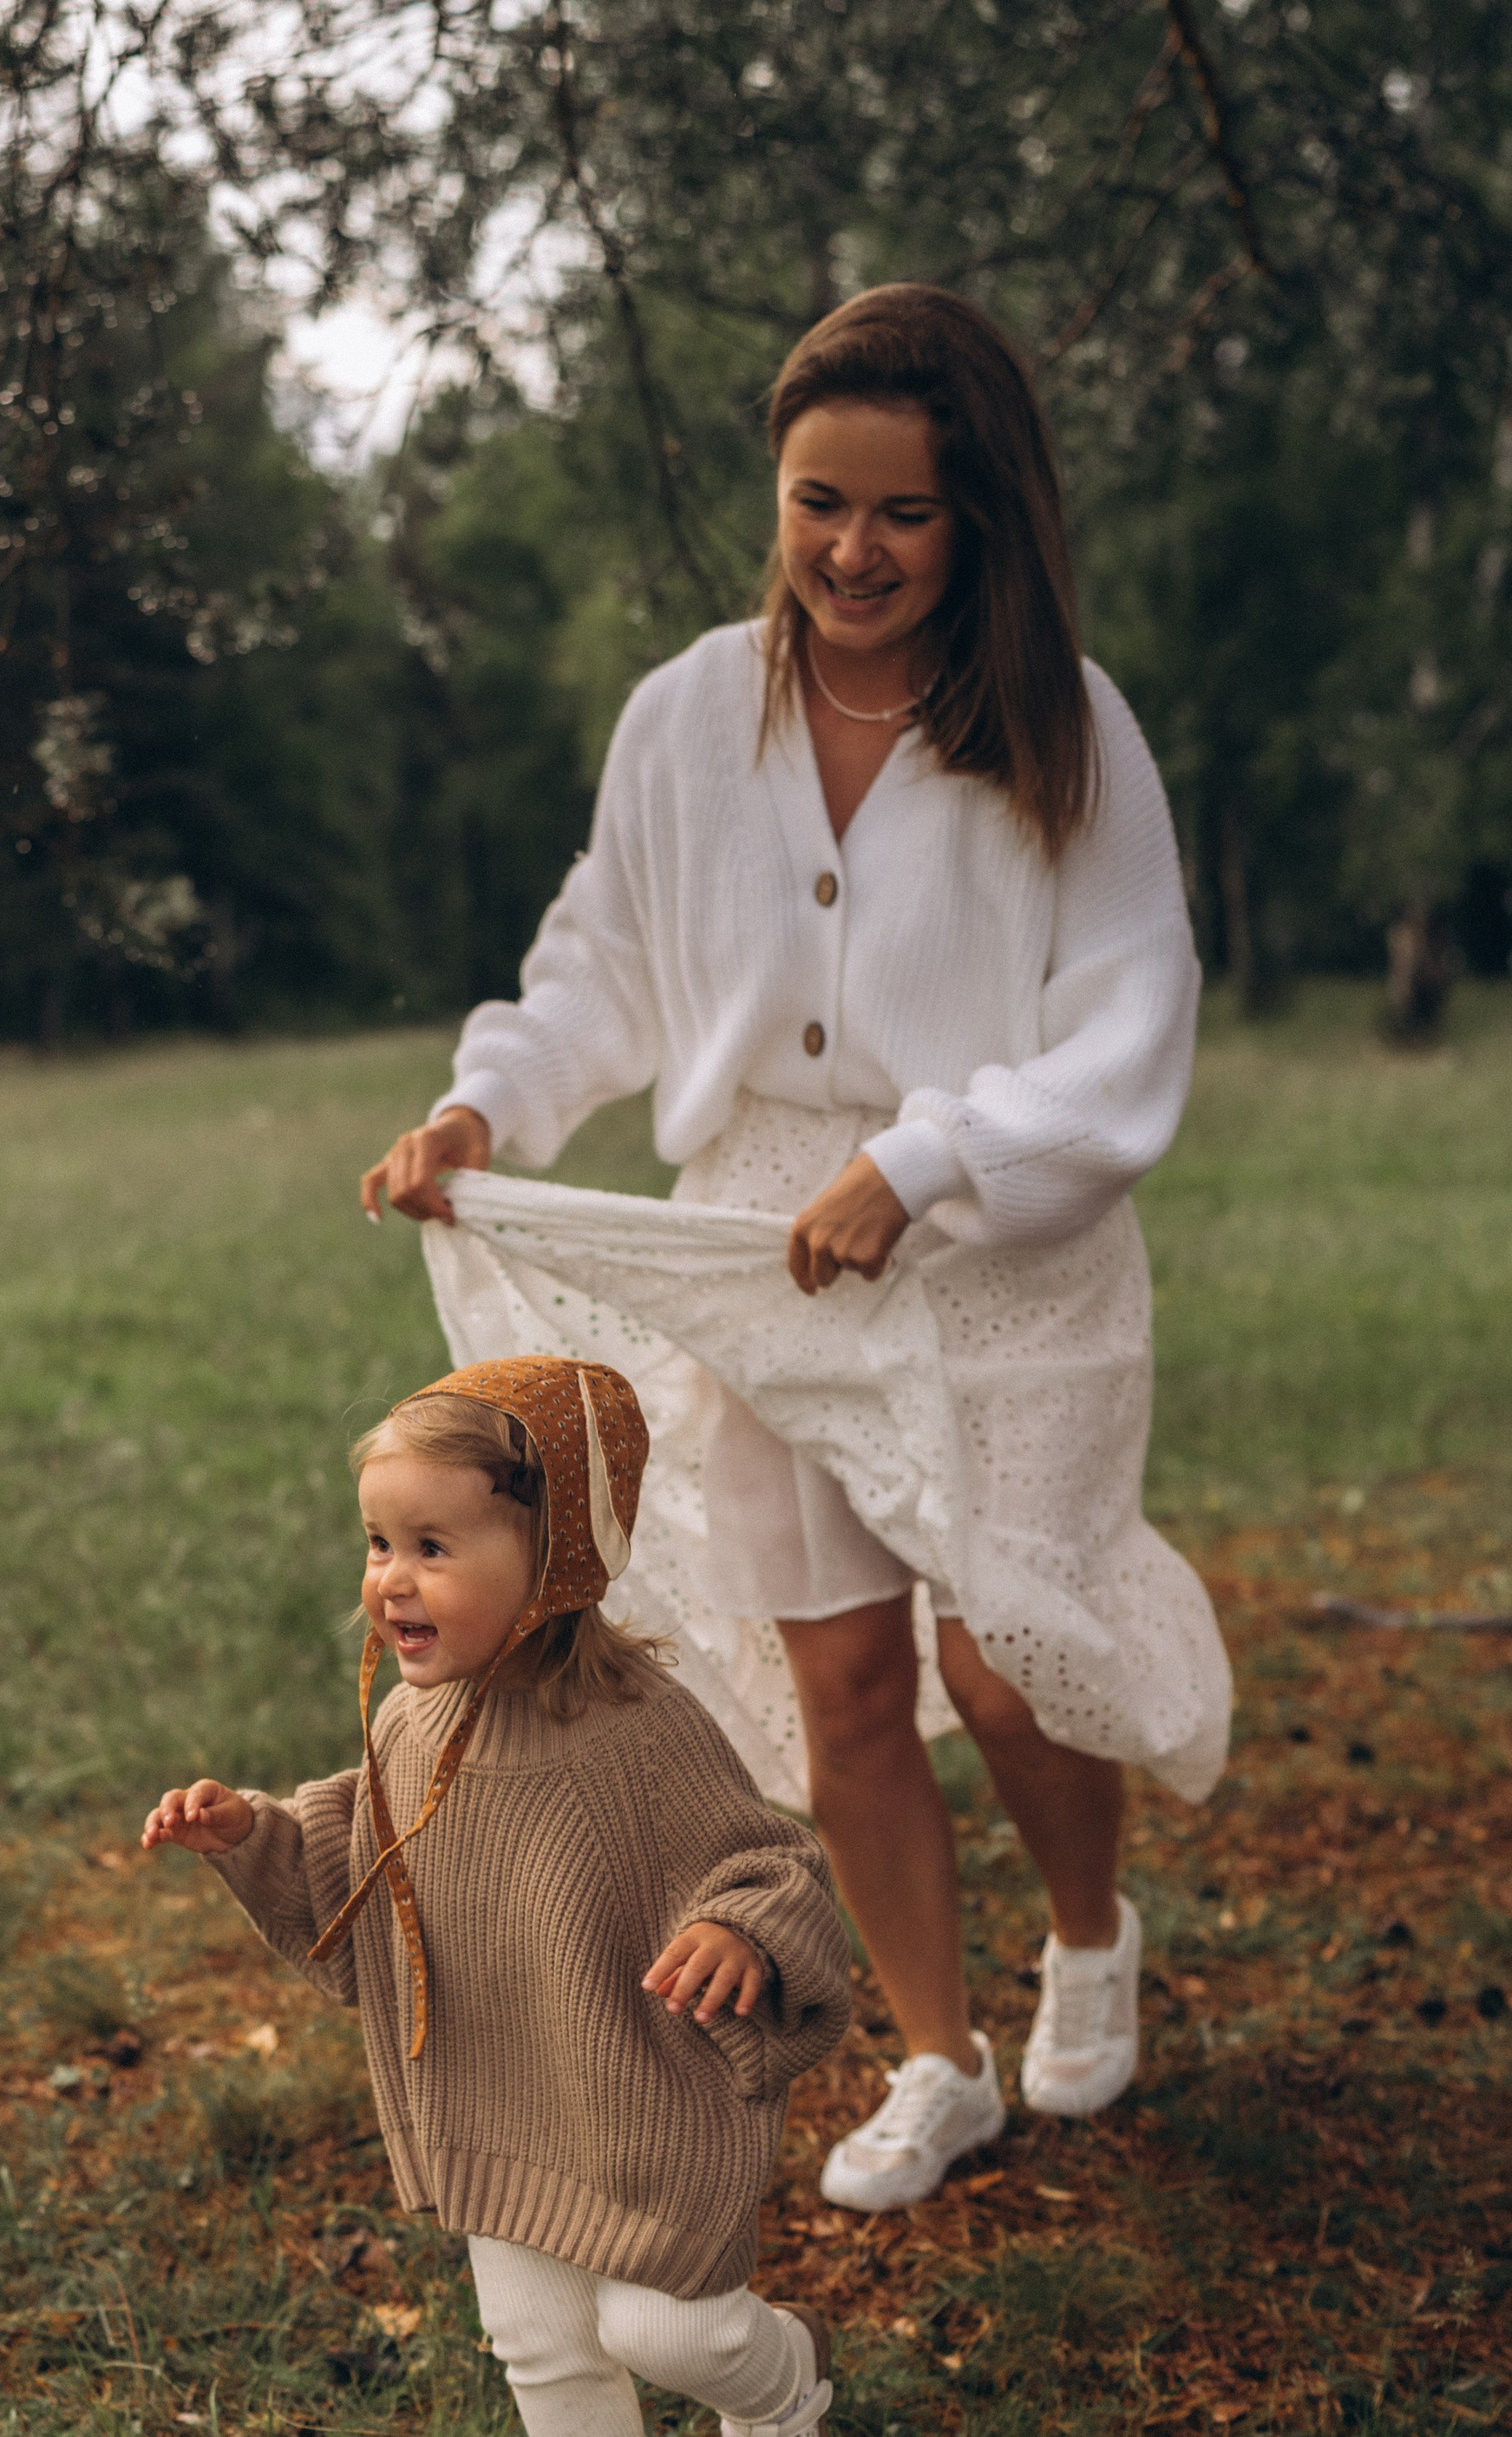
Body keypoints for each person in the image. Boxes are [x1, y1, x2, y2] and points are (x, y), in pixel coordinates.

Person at [363, 285, 1228, 2215]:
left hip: (1005, 1239)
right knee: (836, 1679)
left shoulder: (1065, 729)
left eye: (902, 514)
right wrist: (484, 1107)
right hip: (758, 1244)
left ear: (981, 515)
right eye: (812, 501)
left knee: (1008, 1654)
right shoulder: (687, 715)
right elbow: (595, 957)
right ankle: (937, 2057)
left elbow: (1124, 1022)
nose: (850, 549)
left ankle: (1087, 1926)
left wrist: (928, 1157)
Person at [143, 1354, 853, 2437]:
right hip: (500, 2088)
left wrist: (733, 1929)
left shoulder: (635, 1732)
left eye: (431, 1544)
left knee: (663, 2330)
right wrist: (252, 1830)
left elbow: (773, 1863)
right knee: (533, 2328)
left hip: (636, 2094)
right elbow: (372, 1856)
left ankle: (783, 2381)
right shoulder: (418, 1721)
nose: (390, 1579)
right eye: (376, 1542)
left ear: (558, 1556)